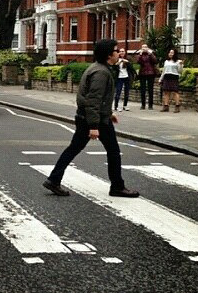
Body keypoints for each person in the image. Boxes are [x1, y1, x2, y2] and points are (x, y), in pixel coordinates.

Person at [42, 39, 139, 198]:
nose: (119, 53)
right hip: (95, 121)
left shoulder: (98, 68)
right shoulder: (101, 72)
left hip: (91, 117)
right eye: (116, 50)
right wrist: (94, 126)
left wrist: (108, 113)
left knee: (73, 149)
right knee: (113, 151)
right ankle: (117, 186)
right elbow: (93, 99)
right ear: (109, 55)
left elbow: (96, 99)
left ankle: (54, 180)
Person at [159, 48, 183, 113]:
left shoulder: (178, 62)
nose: (170, 54)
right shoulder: (166, 61)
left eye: (172, 53)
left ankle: (177, 106)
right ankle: (166, 106)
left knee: (175, 92)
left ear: (175, 54)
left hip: (174, 77)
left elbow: (180, 71)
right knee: (166, 92)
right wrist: (161, 79)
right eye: (169, 52)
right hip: (166, 77)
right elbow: (164, 71)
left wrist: (181, 65)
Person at [113, 48, 136, 112]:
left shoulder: (128, 59)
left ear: (125, 52)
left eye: (123, 51)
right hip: (119, 78)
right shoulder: (116, 59)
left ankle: (125, 105)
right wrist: (117, 63)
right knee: (118, 92)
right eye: (120, 51)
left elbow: (132, 69)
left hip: (126, 77)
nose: (122, 52)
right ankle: (116, 106)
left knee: (127, 92)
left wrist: (127, 62)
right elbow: (113, 68)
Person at [136, 44, 157, 110]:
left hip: (151, 73)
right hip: (143, 73)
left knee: (150, 89)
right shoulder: (140, 54)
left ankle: (150, 105)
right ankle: (143, 105)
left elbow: (155, 61)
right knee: (143, 89)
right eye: (143, 47)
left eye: (145, 47)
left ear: (147, 48)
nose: (144, 48)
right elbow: (138, 62)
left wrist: (150, 54)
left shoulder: (151, 53)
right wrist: (140, 55)